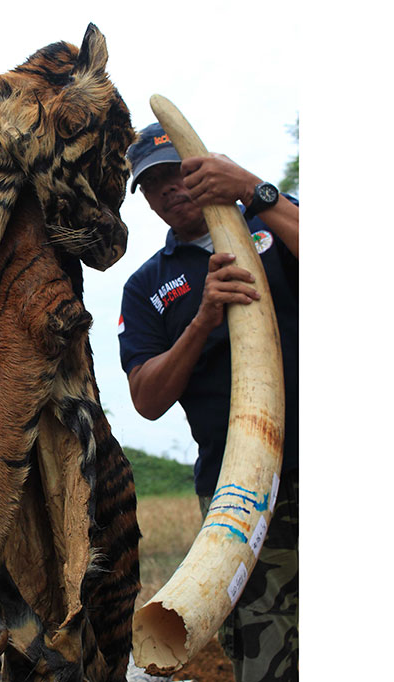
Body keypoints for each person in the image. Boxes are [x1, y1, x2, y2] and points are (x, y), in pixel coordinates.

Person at [117, 122, 298, 681]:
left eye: (177, 172)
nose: (170, 190)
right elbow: (146, 398)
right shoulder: (147, 285)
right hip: (240, 492)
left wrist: (253, 188)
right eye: (153, 185)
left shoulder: (272, 221)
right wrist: (202, 322)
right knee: (267, 650)